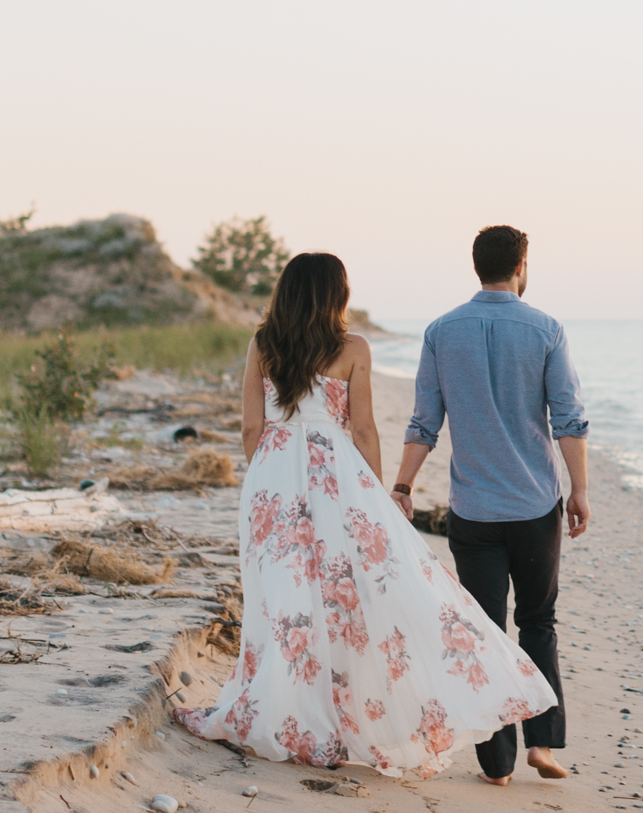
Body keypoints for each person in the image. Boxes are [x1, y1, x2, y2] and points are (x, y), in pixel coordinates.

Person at [176, 252, 557, 779]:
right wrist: (379, 494)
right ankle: (344, 715)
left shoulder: (263, 343)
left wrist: (268, 475)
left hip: (272, 479)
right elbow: (362, 430)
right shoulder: (353, 348)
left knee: (281, 599)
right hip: (338, 479)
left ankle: (289, 714)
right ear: (338, 295)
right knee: (347, 600)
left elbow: (250, 428)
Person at [393, 224, 590, 786]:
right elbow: (568, 420)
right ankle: (545, 745)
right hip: (533, 504)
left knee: (483, 629)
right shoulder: (546, 329)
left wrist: (403, 487)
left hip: (473, 509)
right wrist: (579, 491)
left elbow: (423, 423)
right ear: (521, 265)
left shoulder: (440, 331)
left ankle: (497, 763)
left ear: (476, 265)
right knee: (538, 623)